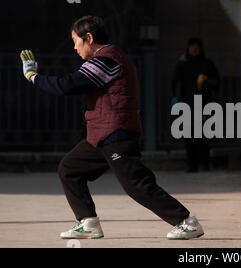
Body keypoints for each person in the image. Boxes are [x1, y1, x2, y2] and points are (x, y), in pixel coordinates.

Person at [20, 16, 204, 240]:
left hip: (116, 133)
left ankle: (186, 222)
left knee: (136, 184)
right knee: (69, 168)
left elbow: (67, 85)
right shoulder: (104, 58)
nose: (74, 47)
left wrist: (34, 77)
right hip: (101, 135)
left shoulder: (108, 59)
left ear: (88, 38)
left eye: (75, 40)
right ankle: (88, 222)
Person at [171, 38, 220, 173]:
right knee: (189, 136)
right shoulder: (182, 64)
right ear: (188, 48)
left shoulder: (207, 63)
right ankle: (191, 165)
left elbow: (216, 82)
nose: (195, 49)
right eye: (192, 46)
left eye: (197, 46)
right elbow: (176, 83)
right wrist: (176, 99)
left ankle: (204, 164)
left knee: (204, 135)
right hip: (187, 104)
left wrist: (207, 81)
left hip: (204, 104)